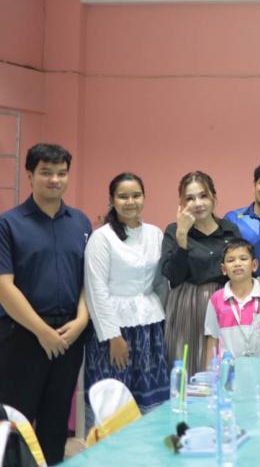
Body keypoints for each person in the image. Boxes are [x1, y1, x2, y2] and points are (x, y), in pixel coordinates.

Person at [0, 143, 91, 465]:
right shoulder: (8, 224)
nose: (55, 180)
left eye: (61, 173)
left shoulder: (80, 223)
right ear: (30, 175)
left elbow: (89, 281)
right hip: (22, 335)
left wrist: (81, 320)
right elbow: (4, 286)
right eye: (46, 173)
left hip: (69, 335)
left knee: (56, 421)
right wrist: (42, 332)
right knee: (15, 421)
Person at [161, 171, 260, 375]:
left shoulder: (229, 230)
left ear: (214, 197)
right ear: (181, 203)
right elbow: (173, 276)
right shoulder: (174, 230)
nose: (198, 203)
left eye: (203, 196)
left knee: (223, 367)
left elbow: (241, 265)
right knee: (187, 367)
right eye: (190, 198)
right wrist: (182, 235)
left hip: (225, 305)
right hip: (187, 307)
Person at [83, 173, 168, 424]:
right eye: (123, 196)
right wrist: (113, 336)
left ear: (144, 197)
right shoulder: (102, 237)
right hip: (113, 330)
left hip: (149, 327)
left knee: (150, 402)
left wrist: (161, 318)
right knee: (113, 405)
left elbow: (160, 282)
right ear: (112, 200)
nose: (130, 202)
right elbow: (95, 289)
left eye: (136, 195)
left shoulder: (155, 233)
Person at [204, 239, 260, 361]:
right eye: (231, 260)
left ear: (254, 265)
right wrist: (210, 370)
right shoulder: (216, 299)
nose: (237, 263)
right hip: (230, 367)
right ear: (224, 269)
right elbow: (212, 338)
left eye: (243, 259)